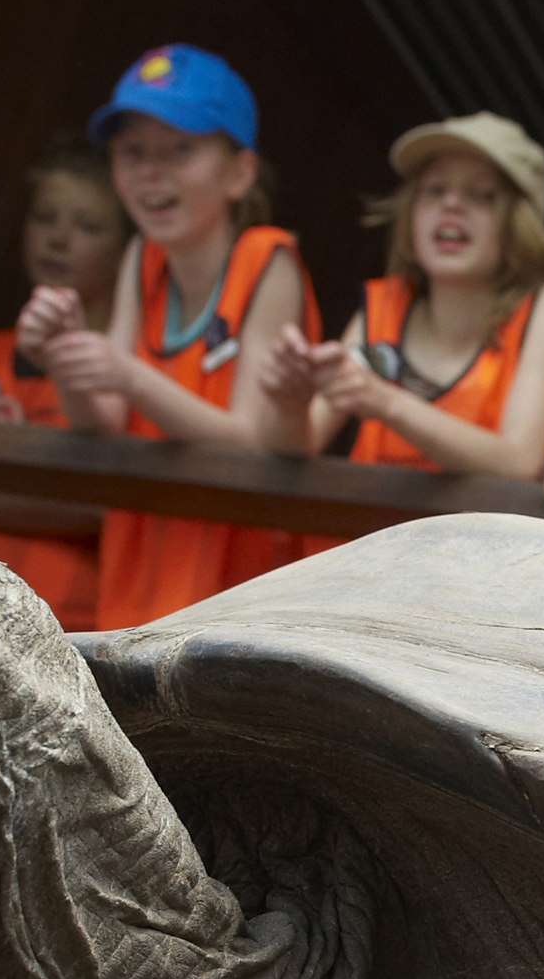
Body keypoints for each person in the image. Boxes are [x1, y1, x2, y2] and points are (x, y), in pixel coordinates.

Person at [16, 44, 321, 630]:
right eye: (132, 152)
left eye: (180, 149)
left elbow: (252, 442)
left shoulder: (268, 261)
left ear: (239, 172)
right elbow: (105, 422)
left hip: (236, 584)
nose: (151, 171)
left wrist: (129, 376)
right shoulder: (142, 257)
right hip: (140, 564)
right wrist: (66, 357)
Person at [262, 112, 544, 480]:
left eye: (482, 194)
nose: (451, 204)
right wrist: (290, 405)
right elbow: (298, 449)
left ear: (520, 225)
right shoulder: (383, 308)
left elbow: (519, 462)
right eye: (434, 190)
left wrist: (385, 401)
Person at [0, 139, 132, 628]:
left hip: (73, 619)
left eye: (88, 226)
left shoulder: (128, 368)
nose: (58, 239)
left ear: (125, 251)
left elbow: (112, 508)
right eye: (45, 217)